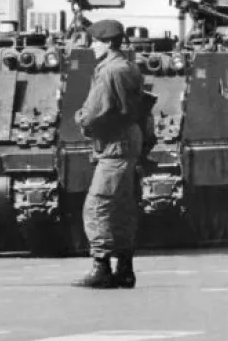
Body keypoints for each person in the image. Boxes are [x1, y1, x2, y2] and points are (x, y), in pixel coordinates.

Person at [72, 19, 145, 289]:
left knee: (97, 206)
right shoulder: (128, 67)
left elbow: (94, 112)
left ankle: (101, 267)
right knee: (122, 207)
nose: (91, 46)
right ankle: (125, 268)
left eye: (94, 41)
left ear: (107, 43)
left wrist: (80, 118)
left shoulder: (108, 71)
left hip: (114, 146)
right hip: (129, 143)